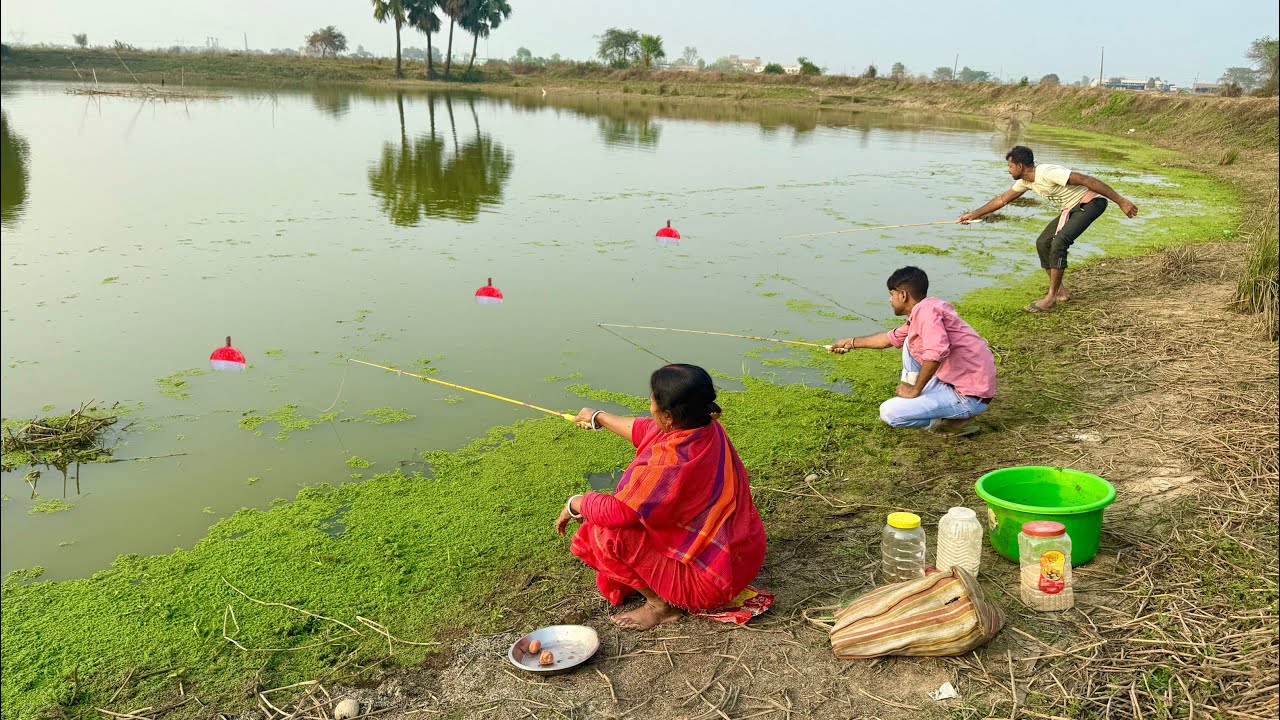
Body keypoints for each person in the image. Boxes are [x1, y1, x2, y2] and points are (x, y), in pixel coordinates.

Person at [556, 364, 767, 631]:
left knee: (603, 533)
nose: (650, 403)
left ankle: (661, 607)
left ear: (667, 416)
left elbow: (619, 512)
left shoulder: (671, 463)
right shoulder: (704, 426)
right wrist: (597, 416)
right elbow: (647, 430)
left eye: (653, 398)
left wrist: (575, 503)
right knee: (613, 522)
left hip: (713, 583)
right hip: (744, 556)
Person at [958, 145, 1139, 314]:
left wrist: (1122, 201)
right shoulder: (1026, 182)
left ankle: (1050, 297)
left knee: (1059, 242)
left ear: (1019, 166)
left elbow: (1087, 180)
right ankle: (1060, 292)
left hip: (1091, 203)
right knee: (1043, 242)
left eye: (1010, 165)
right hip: (1070, 209)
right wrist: (974, 214)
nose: (1008, 169)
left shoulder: (1047, 172)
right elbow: (1002, 199)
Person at [830, 266, 996, 436]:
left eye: (891, 294)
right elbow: (889, 339)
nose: (890, 300)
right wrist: (850, 343)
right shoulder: (926, 309)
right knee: (909, 340)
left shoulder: (926, 312)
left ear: (903, 295)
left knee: (889, 413)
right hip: (954, 382)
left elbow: (936, 352)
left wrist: (915, 390)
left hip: (969, 395)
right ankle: (922, 403)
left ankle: (954, 421)